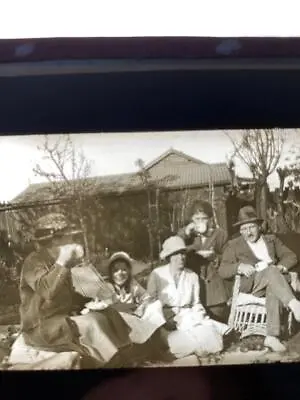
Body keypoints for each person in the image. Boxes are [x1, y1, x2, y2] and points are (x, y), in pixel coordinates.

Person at [18, 213, 132, 369]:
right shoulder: (34, 261)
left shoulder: (58, 262)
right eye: (69, 238)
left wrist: (91, 301)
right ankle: (111, 365)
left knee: (108, 313)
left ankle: (124, 355)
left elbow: (67, 295)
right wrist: (63, 261)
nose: (73, 242)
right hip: (41, 326)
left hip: (59, 320)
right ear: (55, 240)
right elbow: (47, 292)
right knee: (92, 322)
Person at [219, 205, 300, 352]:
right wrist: (239, 267)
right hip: (252, 284)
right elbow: (223, 270)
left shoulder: (271, 240)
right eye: (244, 229)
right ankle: (294, 305)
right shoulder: (234, 245)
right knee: (271, 272)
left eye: (251, 227)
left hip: (274, 281)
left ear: (259, 226)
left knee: (272, 283)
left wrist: (281, 267)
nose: (248, 232)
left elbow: (291, 256)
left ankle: (272, 336)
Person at [147, 236, 230, 359]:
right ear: (169, 257)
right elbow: (151, 301)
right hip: (165, 320)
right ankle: (189, 348)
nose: (181, 257)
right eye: (176, 254)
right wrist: (169, 317)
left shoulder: (192, 275)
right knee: (180, 343)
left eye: (183, 254)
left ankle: (196, 346)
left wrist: (199, 314)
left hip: (189, 317)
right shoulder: (157, 274)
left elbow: (196, 302)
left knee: (213, 340)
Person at [99, 251, 170, 363]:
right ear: (111, 273)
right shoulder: (107, 286)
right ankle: (146, 350)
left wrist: (143, 305)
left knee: (156, 305)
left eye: (124, 269)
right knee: (121, 316)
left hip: (135, 316)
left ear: (129, 271)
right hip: (118, 320)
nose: (120, 273)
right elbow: (111, 306)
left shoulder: (132, 284)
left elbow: (146, 297)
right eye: (116, 270)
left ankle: (156, 345)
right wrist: (134, 306)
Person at [178, 200, 229, 321]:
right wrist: (185, 232)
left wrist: (215, 257)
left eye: (204, 218)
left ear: (210, 219)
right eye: (197, 219)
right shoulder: (188, 236)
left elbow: (229, 258)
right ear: (191, 220)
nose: (200, 222)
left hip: (215, 290)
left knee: (217, 317)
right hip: (192, 287)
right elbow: (174, 247)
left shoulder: (220, 234)